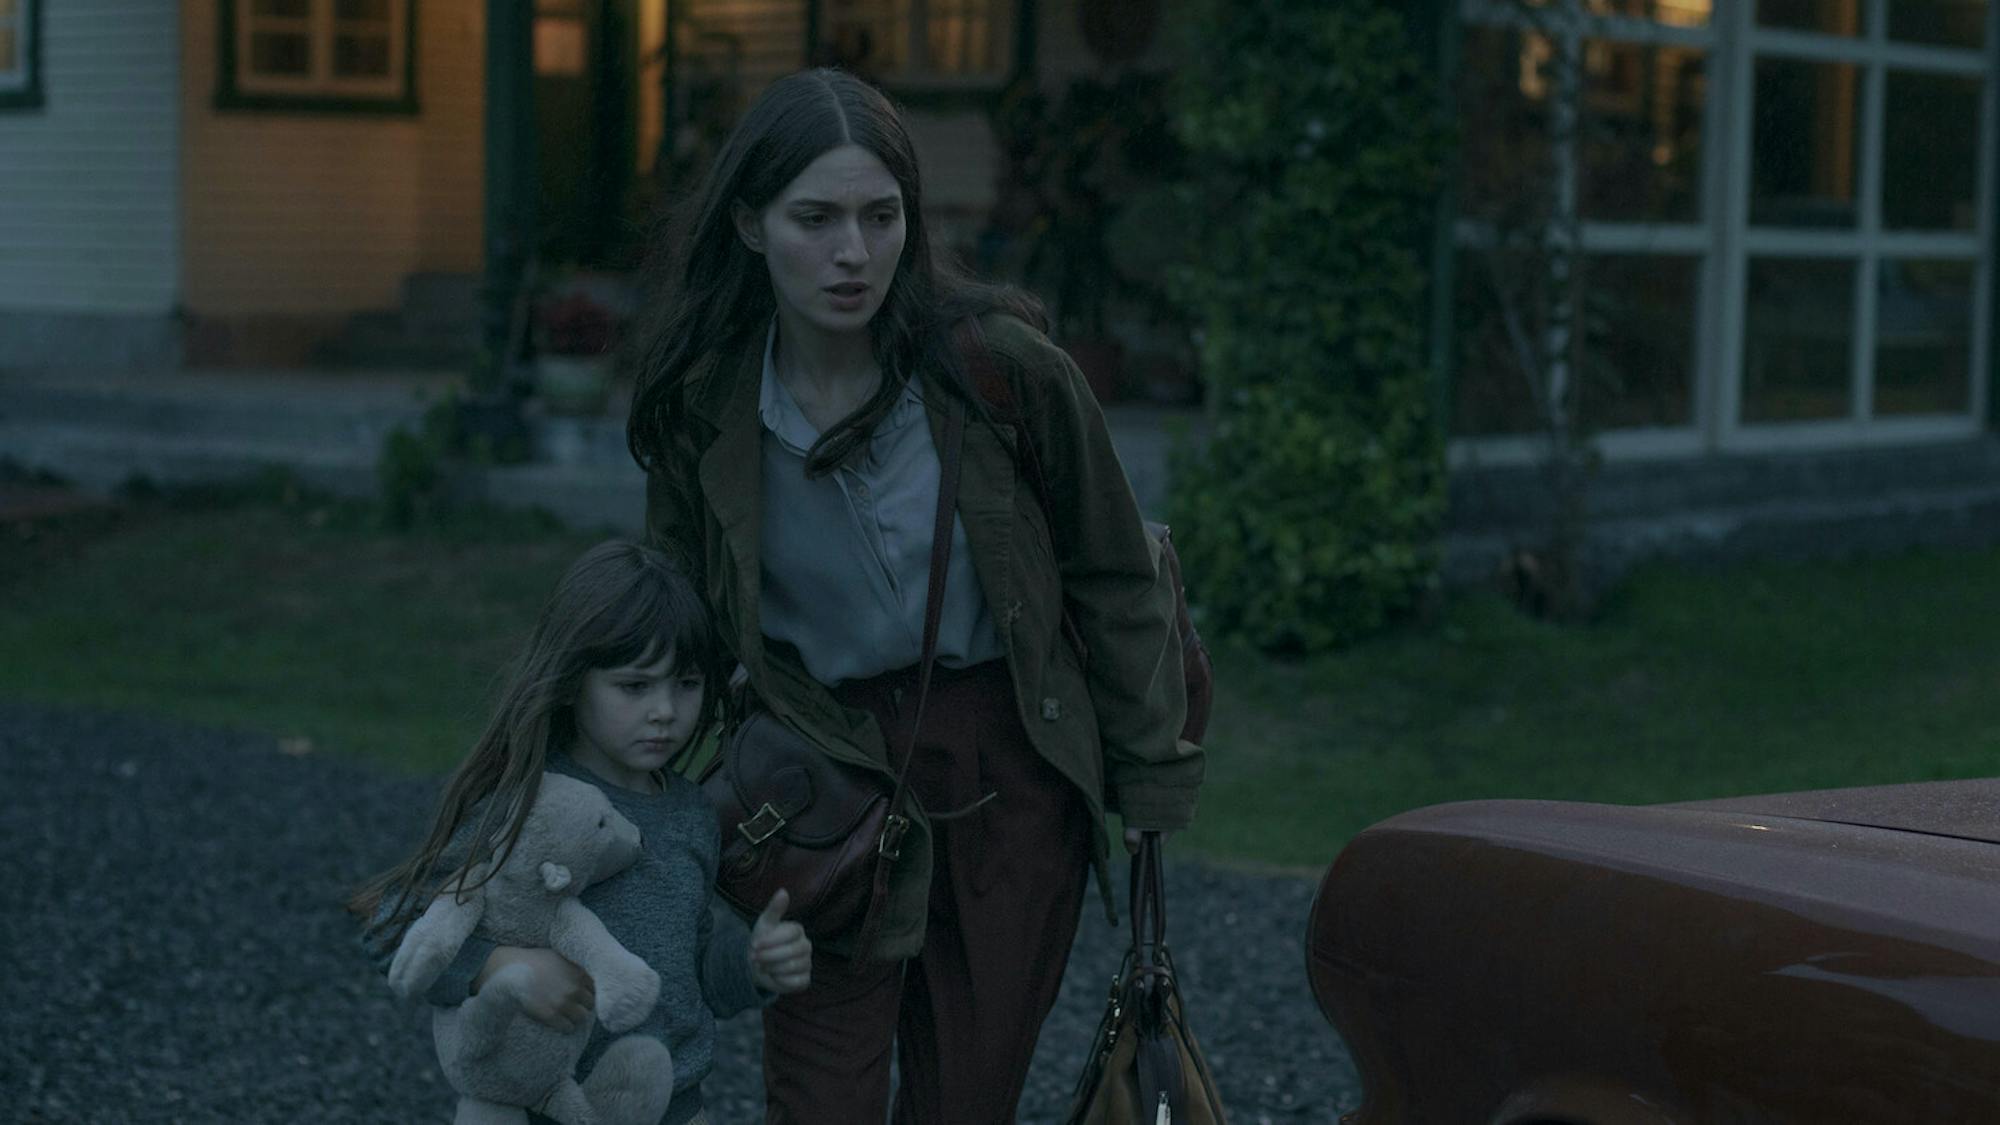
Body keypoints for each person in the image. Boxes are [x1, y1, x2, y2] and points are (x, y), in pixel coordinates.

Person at [624, 67, 1203, 1124]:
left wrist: (1149, 787)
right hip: (816, 773)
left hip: (1004, 769)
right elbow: (674, 620)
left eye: (879, 216)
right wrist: (618, 786)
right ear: (751, 225)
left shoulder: (1002, 373)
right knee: (820, 1099)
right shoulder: (702, 404)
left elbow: (1115, 573)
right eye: (816, 218)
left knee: (962, 1103)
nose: (853, 253)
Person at [350, 540, 813, 1125]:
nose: (666, 711)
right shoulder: (528, 802)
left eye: (687, 684)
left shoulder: (693, 812)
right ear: (573, 681)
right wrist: (503, 969)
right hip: (543, 1108)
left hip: (671, 1107)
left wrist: (752, 966)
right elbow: (393, 926)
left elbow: (685, 980)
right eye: (635, 686)